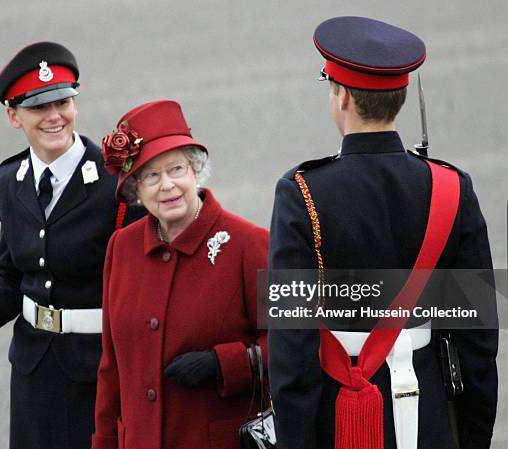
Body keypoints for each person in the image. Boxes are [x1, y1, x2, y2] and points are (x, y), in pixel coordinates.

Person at [268, 16, 498, 449]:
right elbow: (478, 338)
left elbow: (292, 347)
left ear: (341, 98)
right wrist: (470, 435)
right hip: (431, 410)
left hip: (336, 417)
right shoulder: (452, 186)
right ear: (402, 98)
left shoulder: (300, 191)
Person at [0, 42, 145, 449]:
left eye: (63, 101)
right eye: (38, 107)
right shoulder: (8, 181)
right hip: (33, 370)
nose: (54, 116)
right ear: (13, 116)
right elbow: (12, 275)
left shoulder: (119, 185)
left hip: (102, 370)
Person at [91, 100, 269, 449]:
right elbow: (111, 369)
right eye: (151, 176)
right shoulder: (121, 248)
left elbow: (300, 346)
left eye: (176, 169)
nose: (167, 185)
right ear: (136, 191)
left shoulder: (254, 243)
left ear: (195, 171)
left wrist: (225, 364)